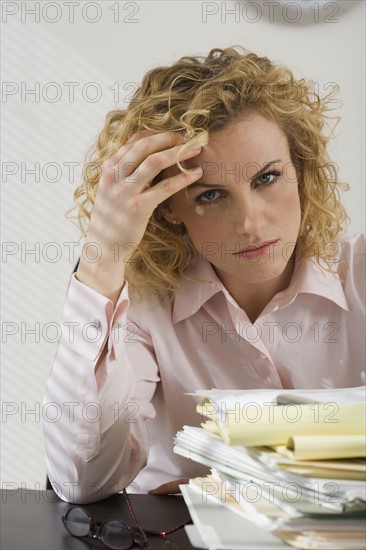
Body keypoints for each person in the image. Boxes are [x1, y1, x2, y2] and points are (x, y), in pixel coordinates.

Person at [43, 46, 365, 504]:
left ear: (301, 169)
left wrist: (231, 483)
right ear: (169, 207)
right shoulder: (145, 305)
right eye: (211, 195)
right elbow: (84, 482)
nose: (250, 224)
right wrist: (100, 263)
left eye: (267, 178)